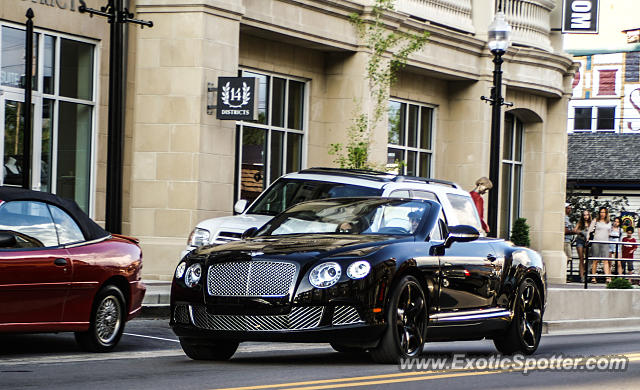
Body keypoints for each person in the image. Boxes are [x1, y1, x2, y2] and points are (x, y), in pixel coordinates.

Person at [588, 207, 612, 283]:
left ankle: (608, 278)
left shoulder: (609, 222)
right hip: (596, 241)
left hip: (605, 242)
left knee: (606, 260)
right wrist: (588, 237)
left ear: (606, 213)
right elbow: (589, 230)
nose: (602, 214)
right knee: (595, 260)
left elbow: (609, 232)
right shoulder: (596, 221)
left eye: (604, 212)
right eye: (601, 212)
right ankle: (593, 277)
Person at [573, 209, 592, 282]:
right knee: (581, 258)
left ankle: (586, 273)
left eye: (587, 215)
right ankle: (582, 277)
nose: (586, 216)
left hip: (587, 241)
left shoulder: (591, 223)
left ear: (589, 215)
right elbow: (575, 230)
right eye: (584, 215)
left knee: (587, 258)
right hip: (580, 240)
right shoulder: (580, 222)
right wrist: (581, 232)